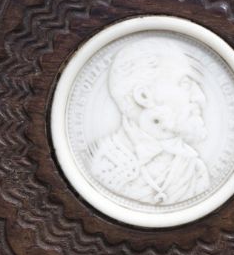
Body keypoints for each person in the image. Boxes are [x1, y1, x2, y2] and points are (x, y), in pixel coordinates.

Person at [86, 38, 214, 206]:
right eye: (185, 83)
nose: (200, 98)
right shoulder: (101, 165)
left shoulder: (195, 169)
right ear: (144, 96)